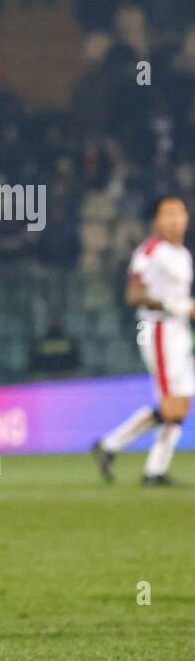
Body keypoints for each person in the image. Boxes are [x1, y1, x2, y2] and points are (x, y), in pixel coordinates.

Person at [93, 196, 192, 485]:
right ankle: (112, 445)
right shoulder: (150, 251)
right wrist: (175, 306)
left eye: (180, 213)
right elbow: (133, 294)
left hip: (181, 332)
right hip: (159, 330)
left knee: (181, 405)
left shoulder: (183, 254)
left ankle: (153, 470)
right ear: (157, 221)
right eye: (169, 214)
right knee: (171, 405)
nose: (176, 219)